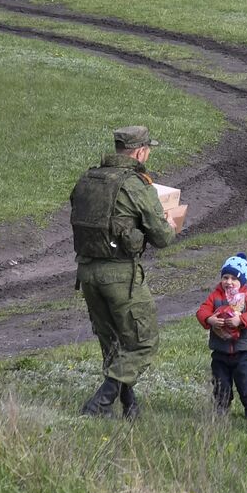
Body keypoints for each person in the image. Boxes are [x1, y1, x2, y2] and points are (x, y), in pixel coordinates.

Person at [71, 126, 180, 418]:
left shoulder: (88, 179)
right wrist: (169, 224)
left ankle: (129, 405)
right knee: (143, 341)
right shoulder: (135, 185)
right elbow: (161, 238)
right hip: (121, 275)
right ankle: (100, 403)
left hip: (87, 273)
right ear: (140, 152)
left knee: (113, 341)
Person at [195, 253, 247, 419]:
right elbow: (202, 310)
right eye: (225, 277)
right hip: (220, 352)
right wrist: (209, 319)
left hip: (243, 352)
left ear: (242, 281)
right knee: (220, 384)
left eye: (234, 278)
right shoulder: (216, 296)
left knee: (246, 384)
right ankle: (221, 410)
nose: (229, 282)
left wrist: (241, 320)